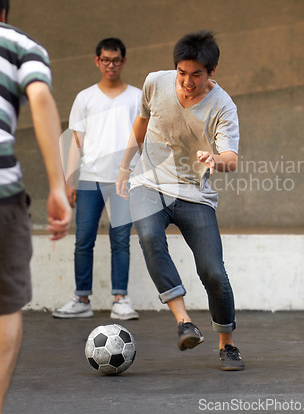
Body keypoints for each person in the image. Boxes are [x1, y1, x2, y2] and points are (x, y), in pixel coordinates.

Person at [116, 30, 245, 371]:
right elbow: (141, 124)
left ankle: (227, 344)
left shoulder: (222, 106)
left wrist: (215, 160)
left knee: (213, 272)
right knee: (148, 236)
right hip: (150, 182)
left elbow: (232, 158)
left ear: (212, 71)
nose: (187, 82)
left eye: (197, 75)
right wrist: (124, 168)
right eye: (182, 73)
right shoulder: (155, 83)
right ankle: (184, 322)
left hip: (194, 194)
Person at [0, 0, 72, 413]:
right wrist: (58, 187)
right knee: (5, 307)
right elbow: (41, 95)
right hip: (1, 195)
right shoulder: (18, 44)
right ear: (4, 14)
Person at [53, 38, 142, 320]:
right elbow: (75, 141)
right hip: (89, 179)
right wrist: (70, 180)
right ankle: (81, 298)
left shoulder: (137, 96)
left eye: (116, 60)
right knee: (83, 240)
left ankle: (121, 299)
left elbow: (144, 138)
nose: (110, 65)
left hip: (123, 180)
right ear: (97, 61)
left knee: (121, 241)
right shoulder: (85, 98)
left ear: (124, 61)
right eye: (105, 60)